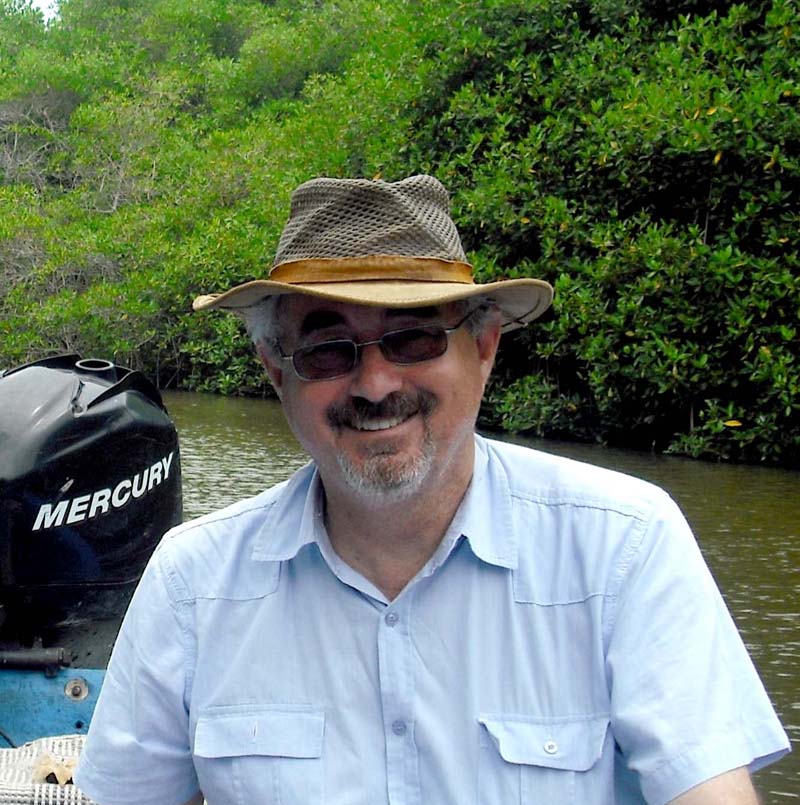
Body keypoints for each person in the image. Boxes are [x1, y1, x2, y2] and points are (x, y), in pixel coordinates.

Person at [75, 175, 789, 804]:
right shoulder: (193, 581)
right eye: (328, 349)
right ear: (275, 372)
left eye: (414, 338)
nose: (376, 383)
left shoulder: (624, 544)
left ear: (483, 349)